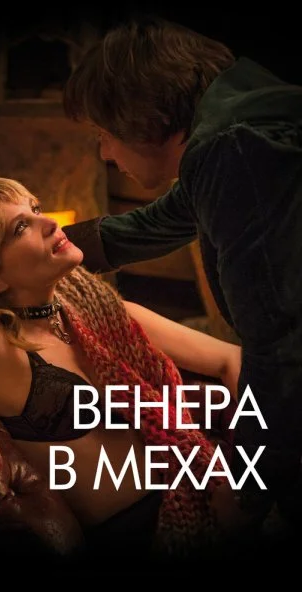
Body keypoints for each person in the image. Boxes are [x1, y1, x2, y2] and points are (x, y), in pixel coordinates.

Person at [0, 176, 248, 560]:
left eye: (35, 208)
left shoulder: (100, 313)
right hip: (137, 539)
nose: (50, 221)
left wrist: (249, 477)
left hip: (201, 494)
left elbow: (231, 359)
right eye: (21, 227)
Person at [61, 15, 302, 527]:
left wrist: (246, 489)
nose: (104, 153)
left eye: (104, 134)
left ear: (139, 115)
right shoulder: (237, 117)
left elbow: (279, 345)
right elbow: (164, 220)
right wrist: (58, 248)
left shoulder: (234, 150)